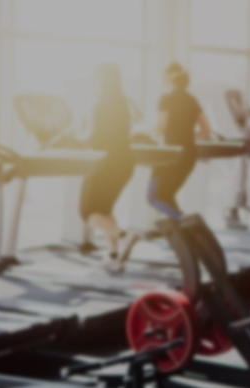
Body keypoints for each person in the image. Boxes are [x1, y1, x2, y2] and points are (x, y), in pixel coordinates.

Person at [80, 64, 140, 274]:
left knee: (88, 213)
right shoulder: (123, 103)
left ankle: (124, 236)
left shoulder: (99, 104)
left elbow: (93, 137)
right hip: (125, 163)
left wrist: (75, 139)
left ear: (101, 80)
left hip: (106, 163)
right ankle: (114, 257)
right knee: (105, 211)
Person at [146, 63, 214, 222]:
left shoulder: (166, 98)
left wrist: (139, 133)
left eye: (163, 74)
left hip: (170, 156)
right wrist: (186, 137)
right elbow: (206, 130)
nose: (161, 78)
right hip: (189, 155)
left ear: (170, 77)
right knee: (167, 196)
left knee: (154, 197)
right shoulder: (192, 99)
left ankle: (186, 224)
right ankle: (185, 234)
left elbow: (161, 128)